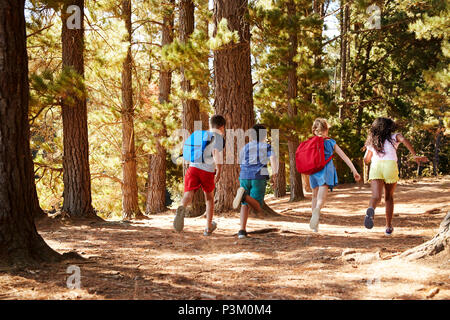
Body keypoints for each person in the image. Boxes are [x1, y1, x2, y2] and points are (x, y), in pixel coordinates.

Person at [363, 117, 426, 236]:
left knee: (376, 196)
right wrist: (414, 155)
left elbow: (366, 159)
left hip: (376, 166)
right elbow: (404, 140)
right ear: (389, 127)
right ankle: (388, 226)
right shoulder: (394, 136)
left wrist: (369, 148)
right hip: (390, 166)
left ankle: (371, 209)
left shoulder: (372, 141)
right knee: (388, 197)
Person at [173, 115, 226, 236]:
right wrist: (219, 169)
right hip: (207, 171)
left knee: (188, 193)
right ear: (222, 127)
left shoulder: (201, 134)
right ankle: (208, 228)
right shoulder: (217, 137)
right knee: (209, 198)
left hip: (193, 168)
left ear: (210, 124)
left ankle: (182, 207)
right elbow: (215, 152)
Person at [308, 118, 361, 232]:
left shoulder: (310, 142)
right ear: (326, 130)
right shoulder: (331, 142)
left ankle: (315, 225)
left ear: (314, 130)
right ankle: (317, 209)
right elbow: (344, 157)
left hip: (314, 170)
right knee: (321, 197)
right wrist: (354, 170)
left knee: (314, 195)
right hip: (326, 169)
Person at [232, 124, 278, 239]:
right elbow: (273, 159)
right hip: (258, 176)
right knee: (257, 206)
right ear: (264, 136)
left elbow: (241, 161)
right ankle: (244, 196)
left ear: (251, 136)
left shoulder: (245, 147)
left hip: (244, 176)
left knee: (244, 205)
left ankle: (242, 230)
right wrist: (275, 174)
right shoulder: (267, 147)